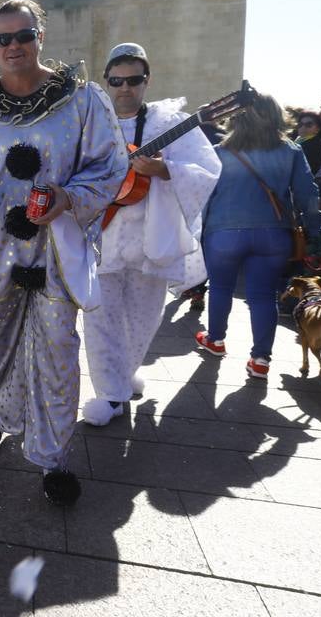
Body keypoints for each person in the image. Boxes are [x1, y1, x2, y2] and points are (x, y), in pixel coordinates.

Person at [0, 0, 126, 506]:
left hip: (55, 255)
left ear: (41, 36)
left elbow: (110, 167)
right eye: (3, 39)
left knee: (58, 352)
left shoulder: (83, 102)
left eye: (24, 35)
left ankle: (52, 455)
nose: (14, 46)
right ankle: (1, 415)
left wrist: (67, 197)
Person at [79, 44, 221, 425]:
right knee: (99, 320)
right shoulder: (90, 122)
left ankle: (124, 375)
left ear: (147, 80)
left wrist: (165, 169)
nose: (125, 88)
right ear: (106, 82)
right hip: (101, 240)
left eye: (134, 80)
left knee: (143, 321)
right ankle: (109, 394)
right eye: (116, 80)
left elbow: (208, 168)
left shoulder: (166, 124)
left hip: (150, 241)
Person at [195, 94, 321, 379]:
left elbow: (203, 195)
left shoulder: (219, 151)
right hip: (273, 233)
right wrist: (315, 233)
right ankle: (260, 359)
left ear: (237, 117)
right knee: (264, 296)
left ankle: (215, 340)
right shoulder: (291, 151)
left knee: (220, 287)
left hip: (224, 231)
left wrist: (197, 233)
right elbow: (308, 196)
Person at [293, 110, 321, 176]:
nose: (303, 127)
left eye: (308, 125)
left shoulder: (317, 145)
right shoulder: (299, 141)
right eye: (300, 124)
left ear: (318, 129)